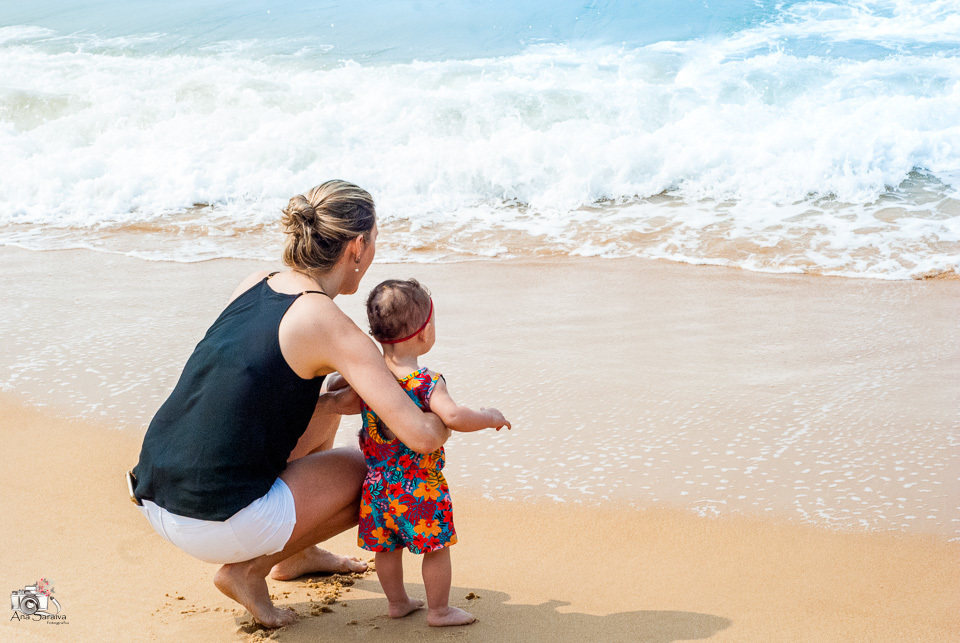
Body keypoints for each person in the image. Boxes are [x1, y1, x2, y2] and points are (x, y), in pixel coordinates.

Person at [129, 181, 450, 628]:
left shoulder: (255, 283)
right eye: (374, 240)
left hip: (158, 492)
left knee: (325, 417)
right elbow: (418, 437)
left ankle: (298, 556)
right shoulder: (328, 322)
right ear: (356, 247)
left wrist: (331, 405)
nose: (374, 251)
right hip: (215, 519)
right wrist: (443, 415)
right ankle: (247, 570)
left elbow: (237, 394)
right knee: (379, 473)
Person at [351, 278, 511, 627]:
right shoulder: (426, 381)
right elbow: (452, 416)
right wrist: (488, 417)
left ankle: (397, 602)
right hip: (420, 486)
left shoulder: (370, 379)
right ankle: (439, 610)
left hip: (377, 485)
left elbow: (341, 402)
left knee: (386, 548)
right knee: (435, 548)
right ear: (424, 334)